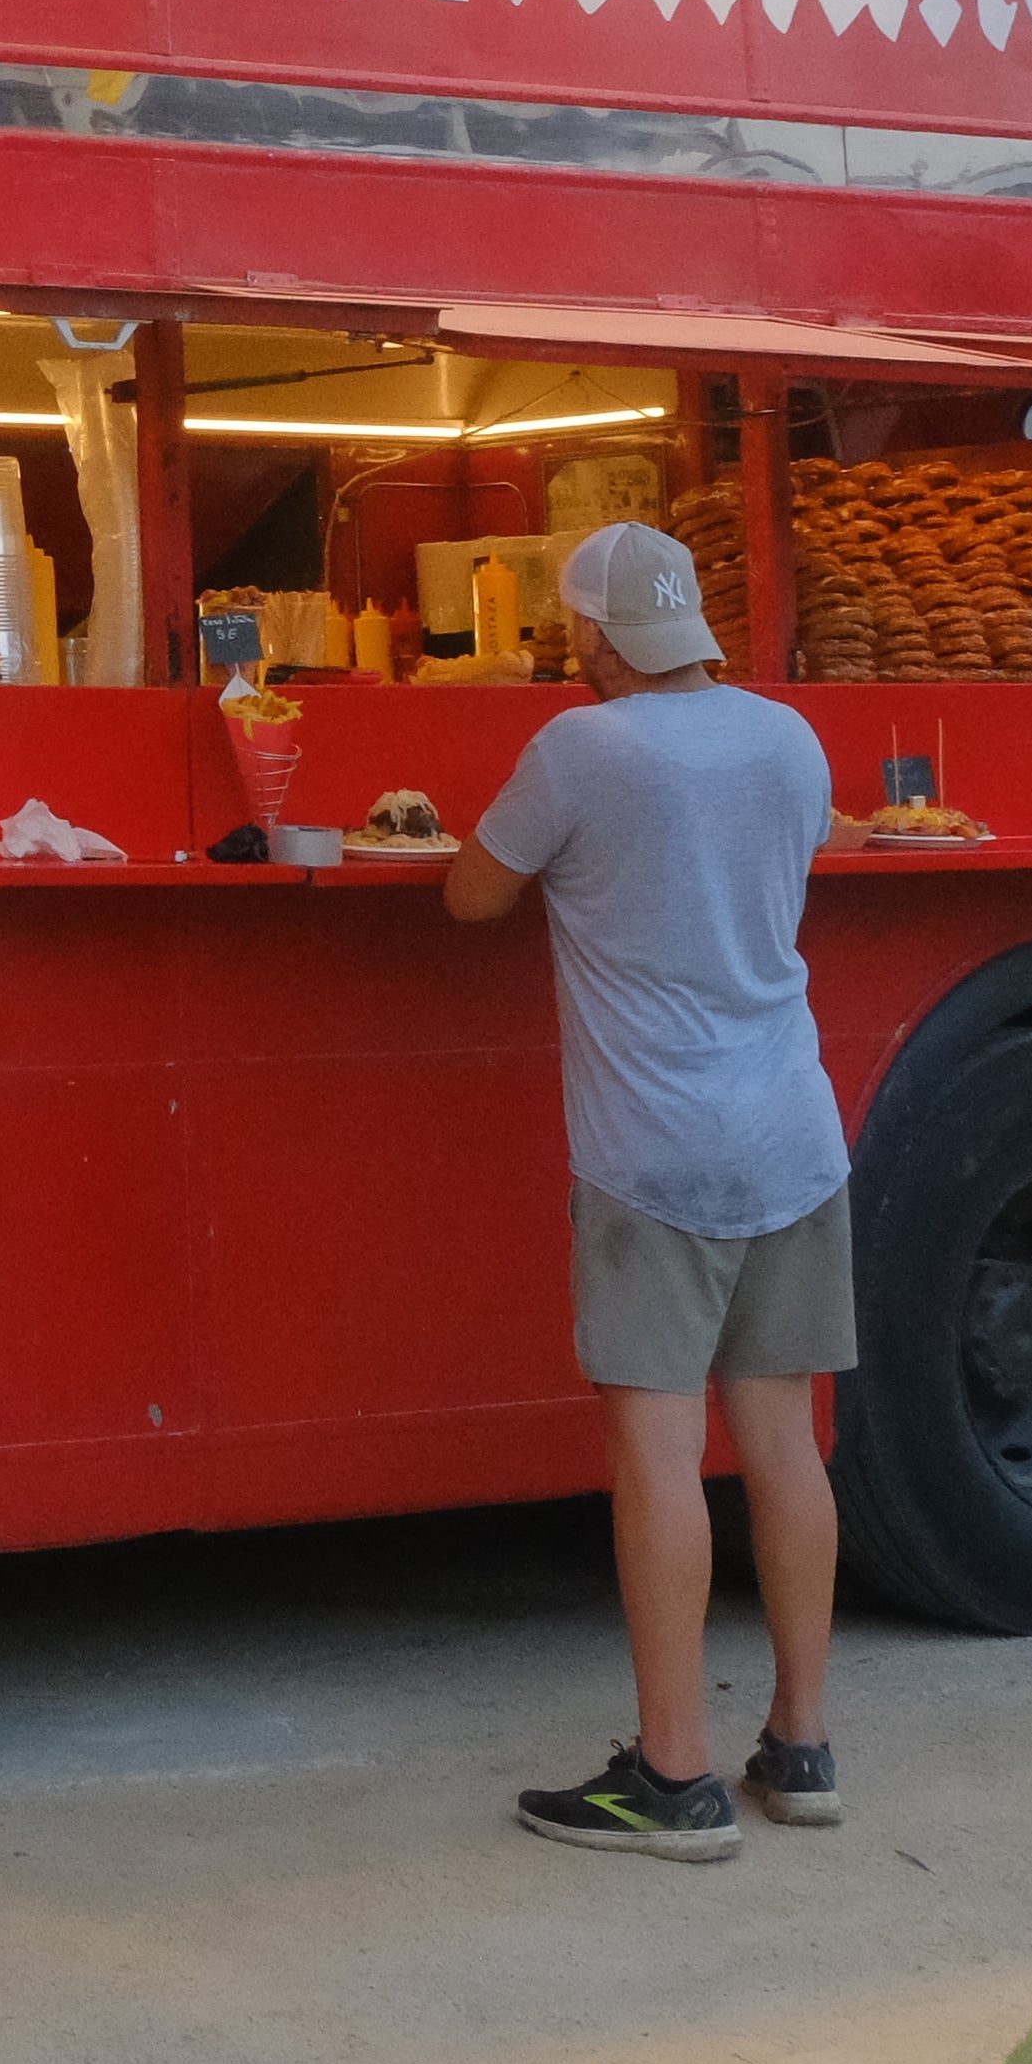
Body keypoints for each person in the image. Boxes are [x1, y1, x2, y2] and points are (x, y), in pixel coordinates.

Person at [438, 517, 858, 1861]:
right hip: (794, 1127)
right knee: (784, 1439)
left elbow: (469, 900)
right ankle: (801, 1746)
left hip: (654, 1152)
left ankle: (673, 1775)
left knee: (658, 1456)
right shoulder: (790, 740)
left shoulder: (580, 750)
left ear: (599, 641)